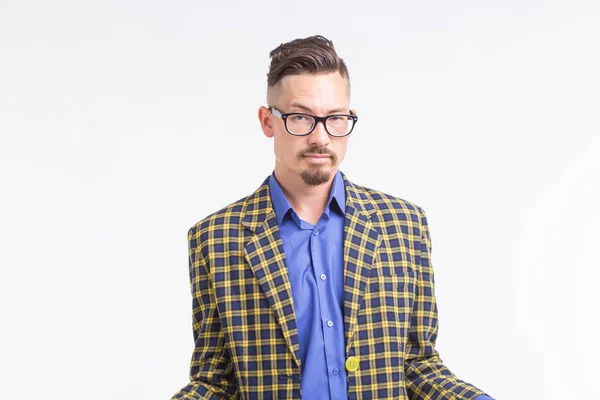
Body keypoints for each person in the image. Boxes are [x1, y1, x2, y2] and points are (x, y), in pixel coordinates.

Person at [171, 35, 493, 400]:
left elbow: (418, 364)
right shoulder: (215, 238)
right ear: (267, 121)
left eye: (336, 118)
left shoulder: (404, 225)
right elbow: (216, 380)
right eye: (300, 117)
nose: (321, 137)